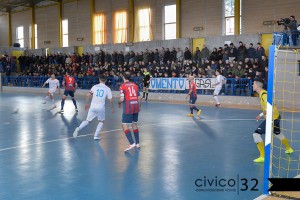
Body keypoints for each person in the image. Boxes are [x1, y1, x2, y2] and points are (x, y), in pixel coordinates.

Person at [252, 79, 293, 163]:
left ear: (257, 86)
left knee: (256, 134)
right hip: (276, 117)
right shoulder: (262, 94)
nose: (252, 85)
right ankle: (289, 149)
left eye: (253, 84)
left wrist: (261, 115)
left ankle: (262, 156)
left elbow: (270, 107)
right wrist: (261, 115)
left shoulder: (264, 95)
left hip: (272, 119)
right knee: (277, 133)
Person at [73, 75, 114, 140]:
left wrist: (86, 104)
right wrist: (112, 107)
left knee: (88, 120)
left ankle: (79, 128)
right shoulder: (107, 89)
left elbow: (87, 95)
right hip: (100, 108)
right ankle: (96, 136)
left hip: (92, 107)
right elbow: (110, 99)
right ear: (105, 80)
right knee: (101, 121)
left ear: (99, 80)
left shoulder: (94, 87)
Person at [118, 71, 141, 152]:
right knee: (134, 124)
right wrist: (139, 106)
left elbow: (122, 99)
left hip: (128, 107)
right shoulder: (135, 85)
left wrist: (119, 102)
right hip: (136, 106)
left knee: (124, 125)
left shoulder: (122, 86)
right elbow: (138, 97)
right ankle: (137, 143)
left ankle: (132, 143)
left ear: (123, 77)